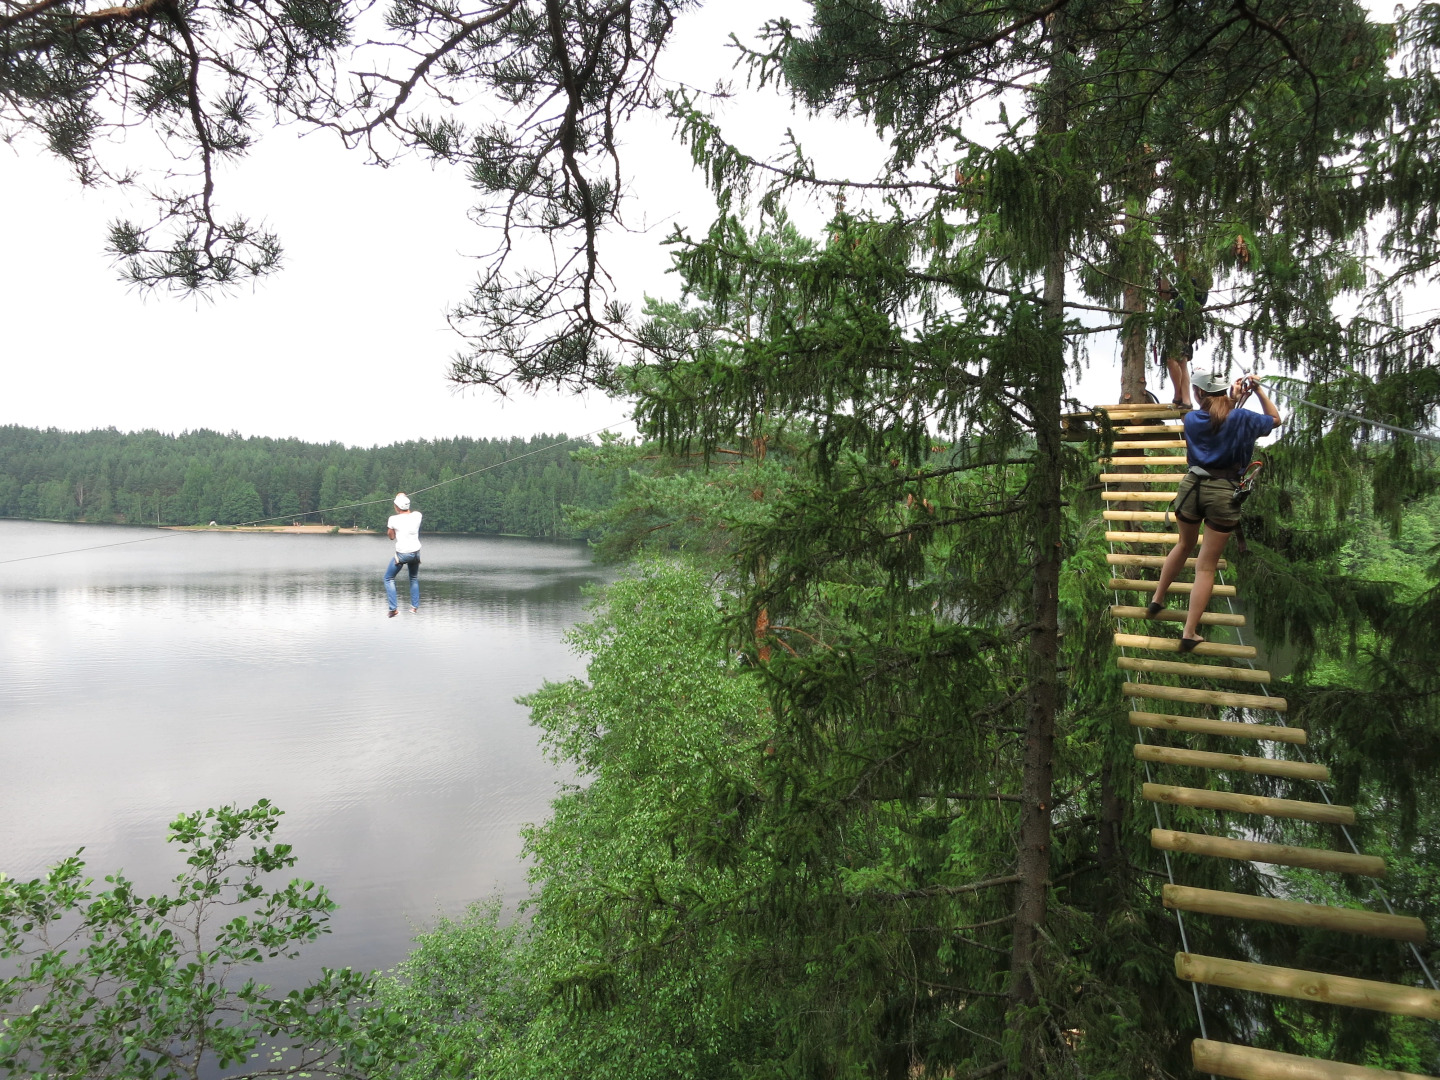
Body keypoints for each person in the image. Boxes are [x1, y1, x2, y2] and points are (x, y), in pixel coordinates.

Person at [1148, 371, 1282, 651]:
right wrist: (1256, 391)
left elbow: (1220, 419)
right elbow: (1275, 419)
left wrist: (1234, 399)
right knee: (1206, 566)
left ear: (1198, 394)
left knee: (1184, 544)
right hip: (1223, 493)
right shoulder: (1242, 418)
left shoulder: (1192, 419)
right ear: (1224, 393)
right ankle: (1189, 633)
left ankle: (1157, 600)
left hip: (1191, 488)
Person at [1158, 259, 1212, 408]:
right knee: (1181, 361)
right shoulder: (1181, 280)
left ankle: (1178, 395)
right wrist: (1164, 276)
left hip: (1186, 321)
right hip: (1179, 320)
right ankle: (1186, 399)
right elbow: (1165, 297)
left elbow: (1205, 287)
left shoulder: (1196, 279)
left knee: (1171, 358)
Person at [384, 493, 422, 617]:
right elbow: (410, 511)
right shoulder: (417, 516)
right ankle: (414, 607)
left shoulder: (393, 519)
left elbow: (391, 537)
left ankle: (393, 609)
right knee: (413, 578)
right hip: (415, 554)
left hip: (402, 555)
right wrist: (403, 496)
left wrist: (392, 531)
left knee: (388, 578)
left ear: (397, 507)